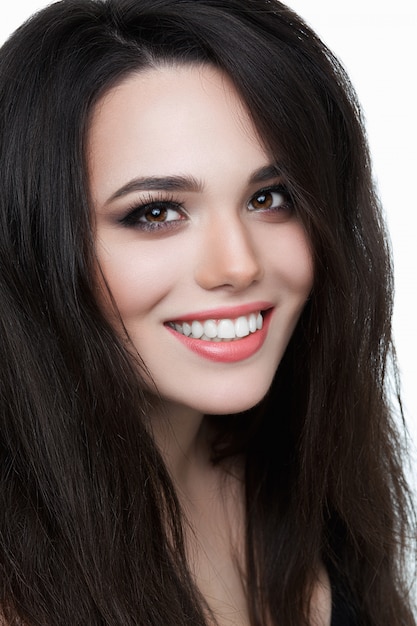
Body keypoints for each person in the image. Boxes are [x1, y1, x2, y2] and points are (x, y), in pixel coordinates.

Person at [0, 0, 415, 624]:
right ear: (33, 247)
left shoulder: (307, 475)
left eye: (270, 197)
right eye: (157, 212)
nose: (238, 265)